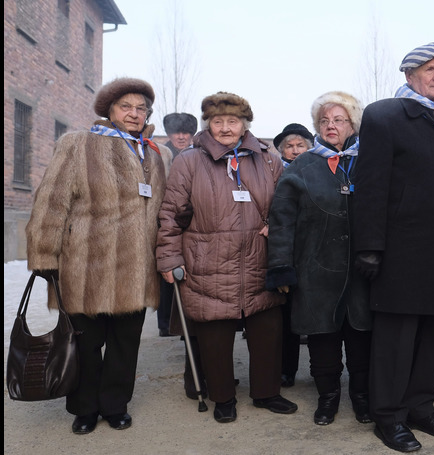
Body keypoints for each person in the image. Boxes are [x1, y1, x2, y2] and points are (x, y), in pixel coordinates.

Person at [26, 77, 171, 434]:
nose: (135, 114)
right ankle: (84, 408)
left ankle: (115, 405)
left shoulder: (155, 153)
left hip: (138, 269)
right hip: (87, 266)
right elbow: (51, 201)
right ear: (110, 110)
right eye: (127, 107)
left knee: (125, 345)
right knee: (86, 345)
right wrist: (45, 255)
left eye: (141, 109)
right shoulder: (78, 144)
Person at [352, 42, 434, 452]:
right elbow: (370, 186)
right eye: (429, 69)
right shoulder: (385, 116)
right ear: (409, 76)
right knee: (396, 338)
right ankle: (388, 416)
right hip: (402, 252)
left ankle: (421, 408)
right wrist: (369, 246)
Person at [156, 92, 298, 424]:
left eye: (232, 121)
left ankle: (267, 392)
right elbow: (170, 215)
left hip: (258, 259)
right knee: (215, 335)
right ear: (208, 124)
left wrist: (275, 226)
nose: (224, 128)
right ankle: (222, 397)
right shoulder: (189, 160)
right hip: (207, 261)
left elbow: (287, 206)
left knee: (267, 330)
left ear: (244, 124)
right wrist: (169, 259)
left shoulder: (268, 159)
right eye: (217, 122)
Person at [267, 91, 373, 426]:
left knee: (361, 339)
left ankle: (362, 397)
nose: (331, 126)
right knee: (322, 340)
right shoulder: (301, 166)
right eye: (324, 120)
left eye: (339, 120)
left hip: (362, 271)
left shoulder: (369, 162)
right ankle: (327, 399)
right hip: (314, 269)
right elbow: (281, 220)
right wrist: (281, 267)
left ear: (351, 124)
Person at [271, 122, 315, 387]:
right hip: (285, 250)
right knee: (285, 317)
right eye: (290, 146)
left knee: (313, 312)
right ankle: (286, 369)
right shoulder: (273, 173)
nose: (295, 150)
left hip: (312, 250)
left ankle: (319, 369)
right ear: (281, 150)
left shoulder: (319, 170)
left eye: (301, 145)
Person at [157, 112, 198, 338]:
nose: (181, 137)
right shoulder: (160, 155)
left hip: (192, 220)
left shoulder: (197, 155)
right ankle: (164, 323)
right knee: (165, 273)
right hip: (165, 218)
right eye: (176, 132)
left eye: (185, 132)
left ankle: (186, 322)